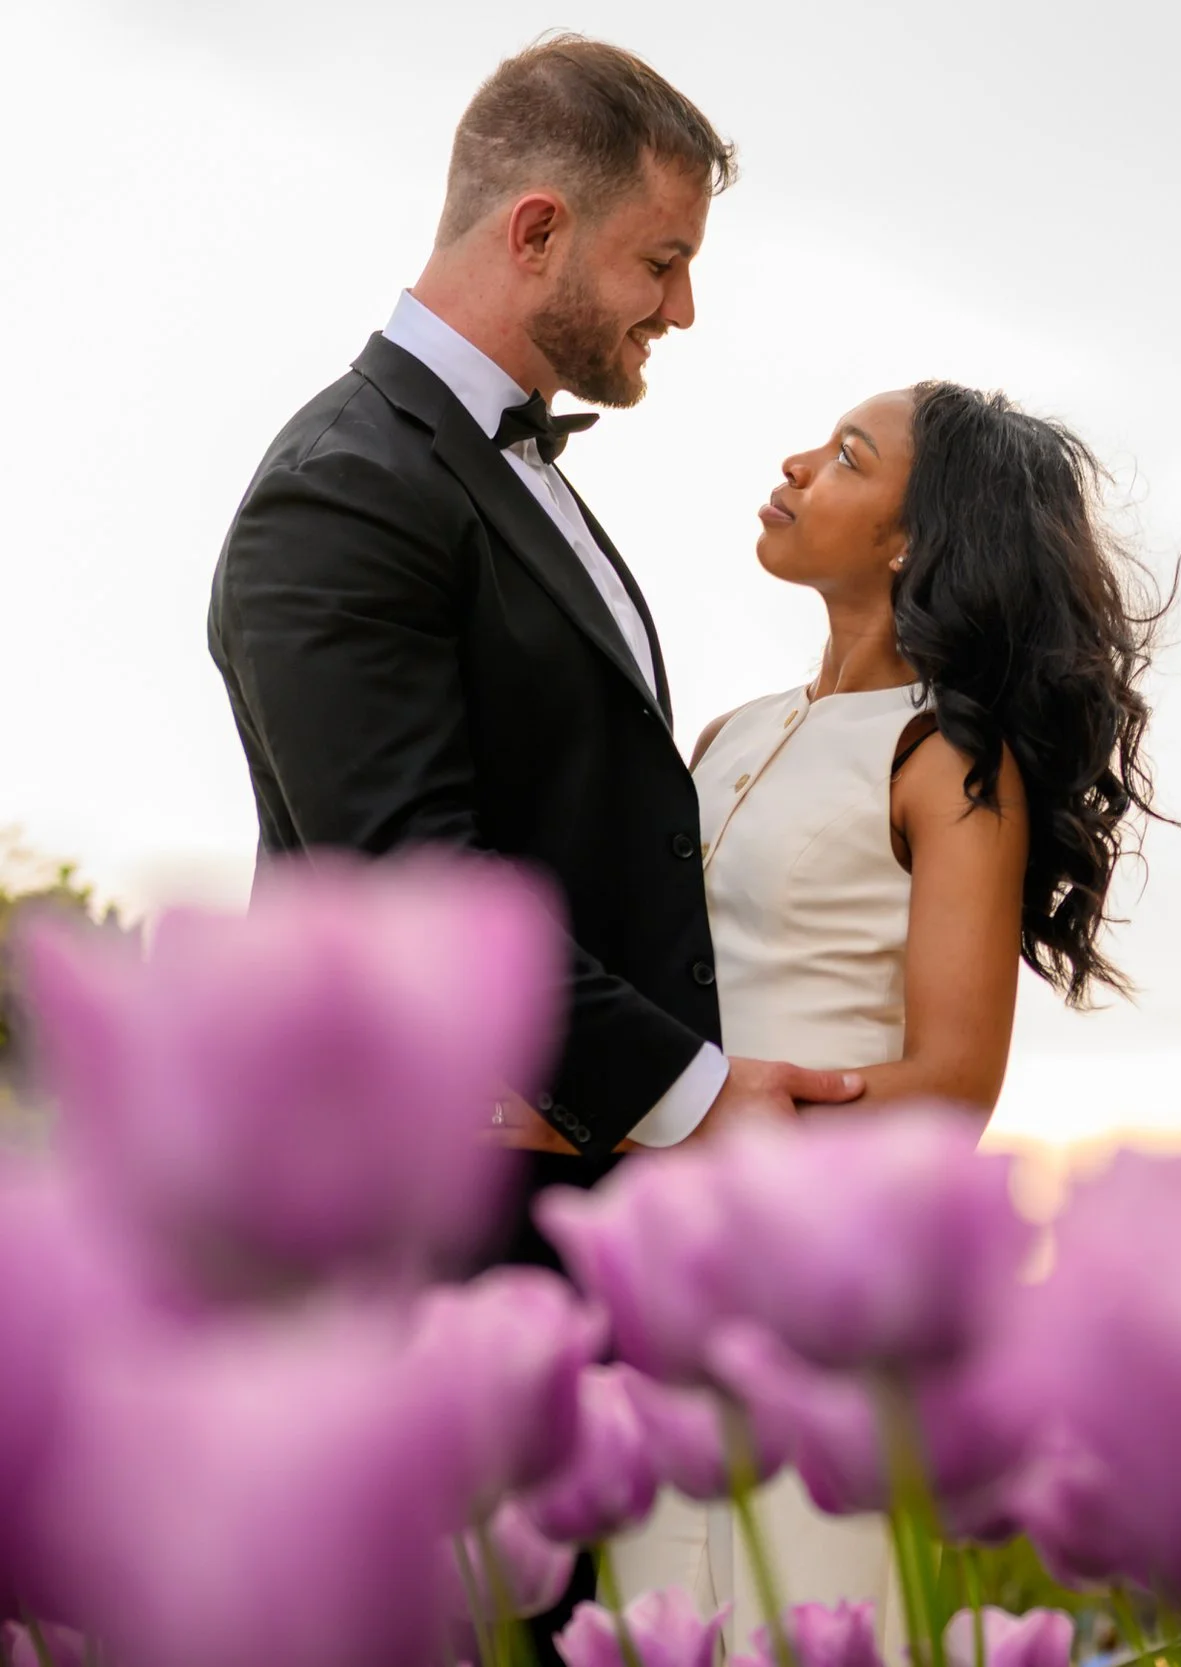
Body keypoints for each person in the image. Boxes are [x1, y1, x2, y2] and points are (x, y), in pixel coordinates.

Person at [202, 34, 867, 1645]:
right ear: (536, 231)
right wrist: (699, 1102)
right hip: (436, 1255)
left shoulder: (499, 471)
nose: (682, 310)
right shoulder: (343, 493)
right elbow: (420, 896)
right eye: (663, 260)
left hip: (556, 1244)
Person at [621, 380, 1163, 1639]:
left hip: (810, 1293)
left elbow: (955, 1083)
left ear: (909, 537)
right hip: (652, 1277)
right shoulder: (723, 733)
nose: (800, 460)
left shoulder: (948, 760)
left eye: (848, 456)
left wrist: (738, 1110)